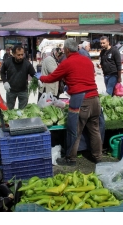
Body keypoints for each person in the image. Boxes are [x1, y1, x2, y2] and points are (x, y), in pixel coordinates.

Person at [40, 38, 102, 166]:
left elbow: (53, 77)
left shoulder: (67, 63)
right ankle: (97, 157)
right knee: (95, 129)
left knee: (74, 130)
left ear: (67, 50)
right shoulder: (87, 60)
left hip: (80, 99)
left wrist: (40, 77)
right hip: (95, 98)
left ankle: (70, 159)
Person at [0, 45, 36, 110]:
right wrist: (5, 82)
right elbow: (2, 72)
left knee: (23, 111)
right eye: (18, 55)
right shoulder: (7, 62)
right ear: (13, 54)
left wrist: (38, 79)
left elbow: (33, 73)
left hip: (23, 91)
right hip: (11, 90)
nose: (21, 57)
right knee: (10, 110)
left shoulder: (27, 63)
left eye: (22, 54)